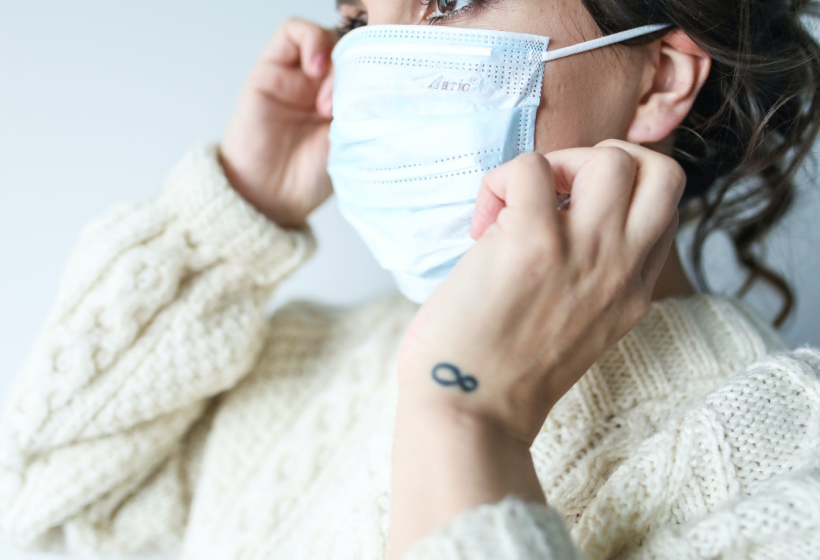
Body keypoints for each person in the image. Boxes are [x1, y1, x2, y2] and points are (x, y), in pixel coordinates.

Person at [1, 0, 820, 558]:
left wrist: (467, 418)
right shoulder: (306, 361)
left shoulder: (786, 471)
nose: (374, 67)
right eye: (360, 21)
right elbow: (41, 518)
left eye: (449, 0)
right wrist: (229, 221)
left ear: (660, 76)